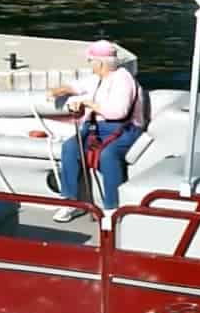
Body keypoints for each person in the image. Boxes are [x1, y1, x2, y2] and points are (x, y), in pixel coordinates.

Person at [47, 40, 144, 223]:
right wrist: (58, 91)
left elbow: (118, 112)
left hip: (124, 128)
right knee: (70, 147)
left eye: (91, 61)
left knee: (108, 154)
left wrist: (88, 103)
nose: (90, 65)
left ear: (100, 63)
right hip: (96, 127)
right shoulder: (97, 78)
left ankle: (112, 208)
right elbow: (76, 87)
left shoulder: (123, 80)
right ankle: (70, 202)